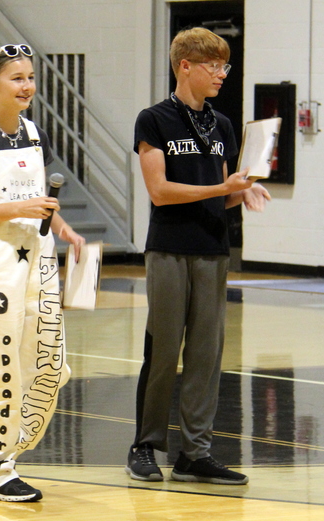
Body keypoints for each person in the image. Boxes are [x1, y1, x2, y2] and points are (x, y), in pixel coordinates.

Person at [126, 27, 270, 485]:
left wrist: (241, 192)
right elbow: (160, 191)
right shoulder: (154, 120)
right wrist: (221, 188)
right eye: (214, 66)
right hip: (168, 248)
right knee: (164, 350)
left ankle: (195, 451)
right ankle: (146, 445)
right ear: (184, 65)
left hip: (213, 250)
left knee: (206, 355)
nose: (221, 74)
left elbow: (220, 194)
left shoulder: (222, 124)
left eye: (224, 66)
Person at [0, 44, 85, 502]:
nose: (27, 86)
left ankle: (10, 451)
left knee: (51, 361)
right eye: (17, 78)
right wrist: (20, 208)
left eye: (30, 77)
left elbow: (37, 197)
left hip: (39, 257)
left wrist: (63, 227)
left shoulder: (32, 131)